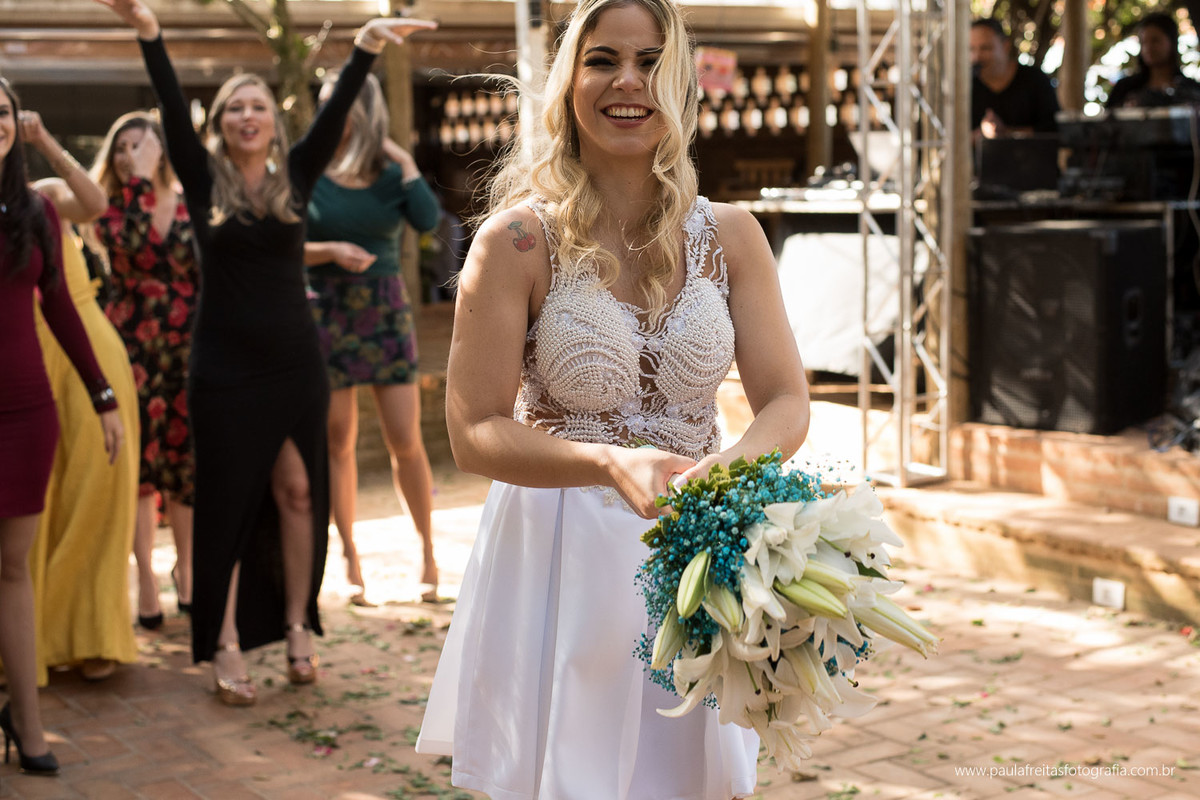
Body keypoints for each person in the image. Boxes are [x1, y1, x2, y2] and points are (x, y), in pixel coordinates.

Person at [415, 0, 810, 795]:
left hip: (697, 544)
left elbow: (786, 401)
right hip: (559, 551)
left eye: (649, 60)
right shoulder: (516, 242)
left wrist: (726, 476)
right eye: (602, 59)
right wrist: (605, 462)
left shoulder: (733, 236)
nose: (626, 81)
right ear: (569, 83)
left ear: (681, 82)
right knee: (570, 775)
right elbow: (472, 430)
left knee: (689, 776)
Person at [94, 0, 437, 707]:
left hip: (294, 361)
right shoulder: (202, 180)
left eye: (256, 107)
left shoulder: (298, 175)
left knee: (300, 489)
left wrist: (367, 45)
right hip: (220, 367)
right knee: (224, 502)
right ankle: (221, 640)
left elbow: (339, 108)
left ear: (271, 122)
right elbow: (164, 98)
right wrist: (149, 31)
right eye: (232, 110)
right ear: (219, 127)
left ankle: (296, 626)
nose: (245, 117)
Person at [0, 77, 124, 777]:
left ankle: (27, 719)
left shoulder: (36, 210)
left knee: (12, 568)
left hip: (25, 413)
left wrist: (103, 397)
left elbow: (62, 311)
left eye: (4, 110)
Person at [304, 72, 443, 606]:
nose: (329, 114)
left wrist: (404, 161)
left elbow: (427, 219)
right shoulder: (307, 169)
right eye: (323, 104)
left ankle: (428, 553)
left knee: (405, 440)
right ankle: (349, 556)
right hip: (327, 310)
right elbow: (282, 245)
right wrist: (330, 251)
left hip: (384, 311)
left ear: (363, 110)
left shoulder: (391, 171)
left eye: (338, 104)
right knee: (337, 440)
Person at [22, 108, 141, 685]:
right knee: (32, 507)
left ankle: (92, 631)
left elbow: (95, 204)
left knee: (98, 490)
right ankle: (31, 639)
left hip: (89, 349)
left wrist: (44, 138)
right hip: (21, 360)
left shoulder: (39, 197)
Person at [90, 110, 196, 630]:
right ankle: (147, 579)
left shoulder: (193, 202)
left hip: (186, 349)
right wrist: (135, 185)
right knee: (138, 471)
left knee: (184, 465)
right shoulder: (107, 206)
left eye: (143, 144)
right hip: (131, 348)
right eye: (123, 147)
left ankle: (189, 569)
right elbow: (127, 243)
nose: (133, 154)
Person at [970, 17, 1060, 141]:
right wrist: (981, 135)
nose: (977, 57)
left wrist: (1006, 133)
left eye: (985, 48)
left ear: (1005, 46)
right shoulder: (967, 86)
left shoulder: (1035, 80)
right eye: (971, 49)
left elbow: (1053, 131)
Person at [1107, 12, 1200, 109]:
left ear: (1171, 42)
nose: (1148, 48)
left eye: (1155, 40)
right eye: (1144, 42)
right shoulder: (1125, 89)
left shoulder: (1192, 90)